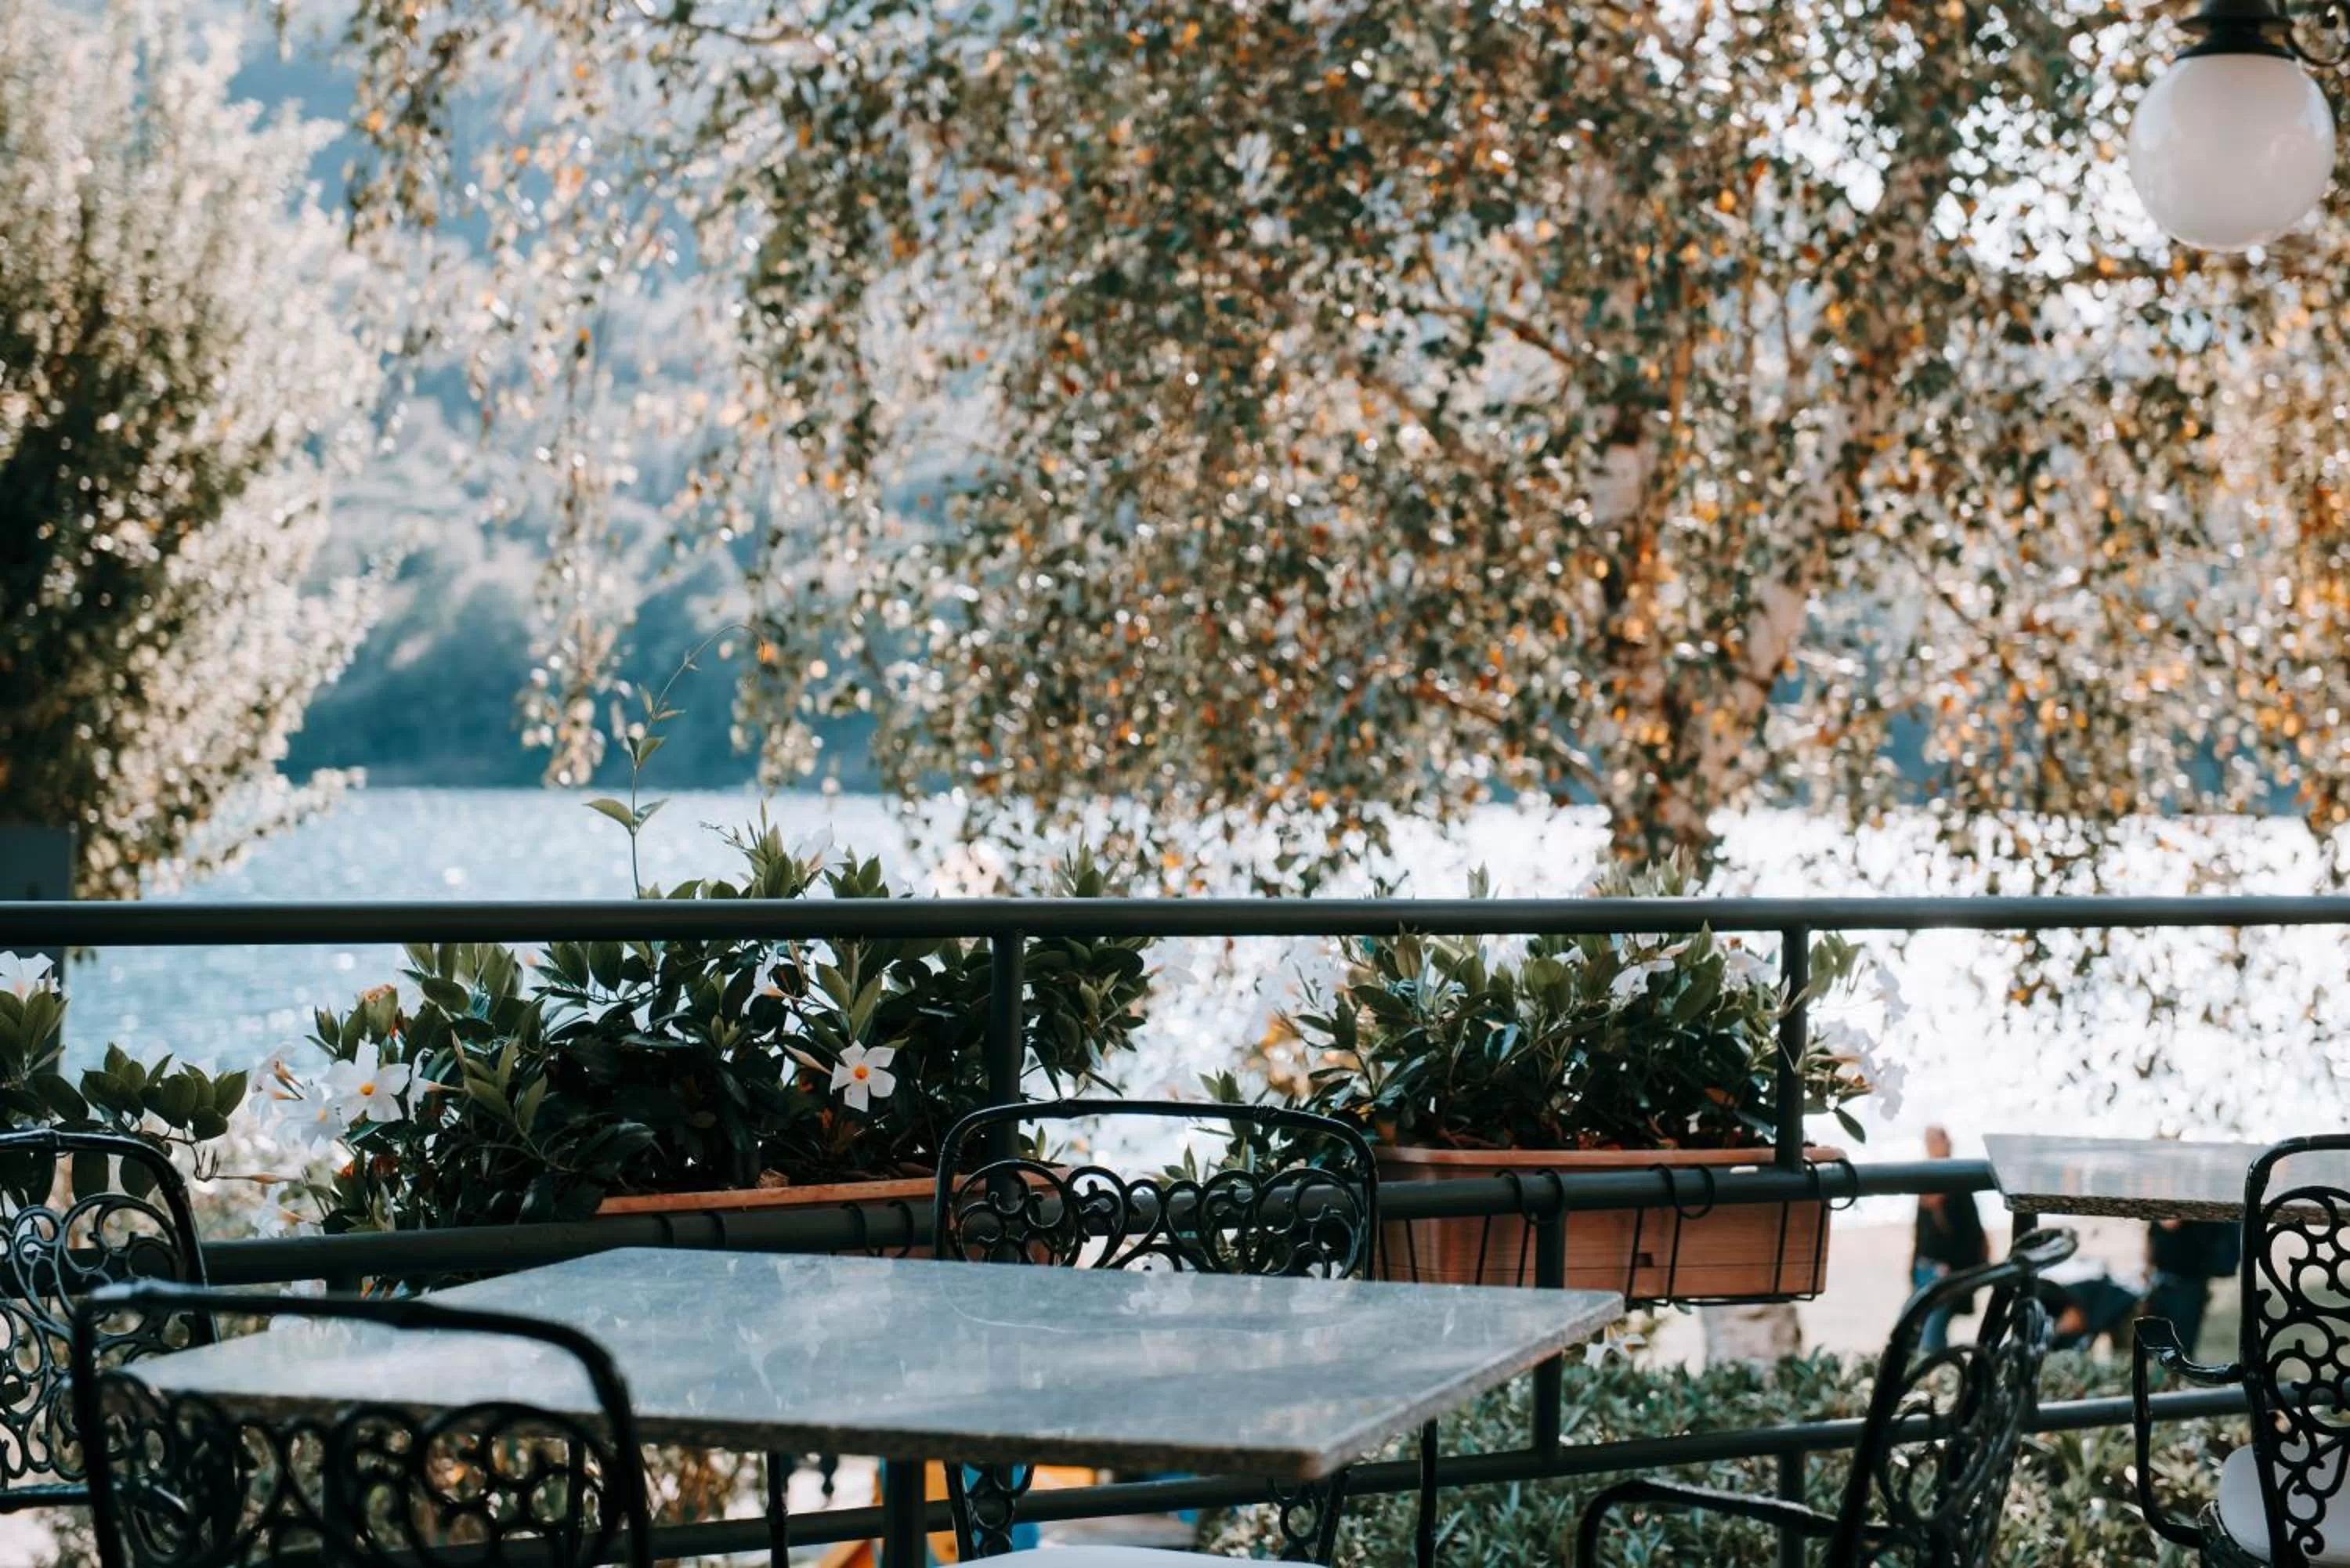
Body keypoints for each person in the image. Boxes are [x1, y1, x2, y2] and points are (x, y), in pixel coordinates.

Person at [1910, 1125, 1990, 1353]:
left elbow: (1972, 1235)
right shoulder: (1926, 1182)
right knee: (1912, 1330)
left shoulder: (1957, 1182)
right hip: (1925, 1267)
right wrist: (1912, 1269)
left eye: (1936, 1140)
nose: (1932, 1145)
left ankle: (1934, 1379)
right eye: (1929, 1141)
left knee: (1931, 1334)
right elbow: (1920, 1233)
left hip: (1946, 1271)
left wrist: (1954, 1268)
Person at [2143, 1217, 2240, 1357]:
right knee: (2157, 1344)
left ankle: (2172, 1377)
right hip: (2165, 1280)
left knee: (2180, 1347)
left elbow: (2170, 1223)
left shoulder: (2183, 1201)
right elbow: (2152, 1233)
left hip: (2188, 1283)